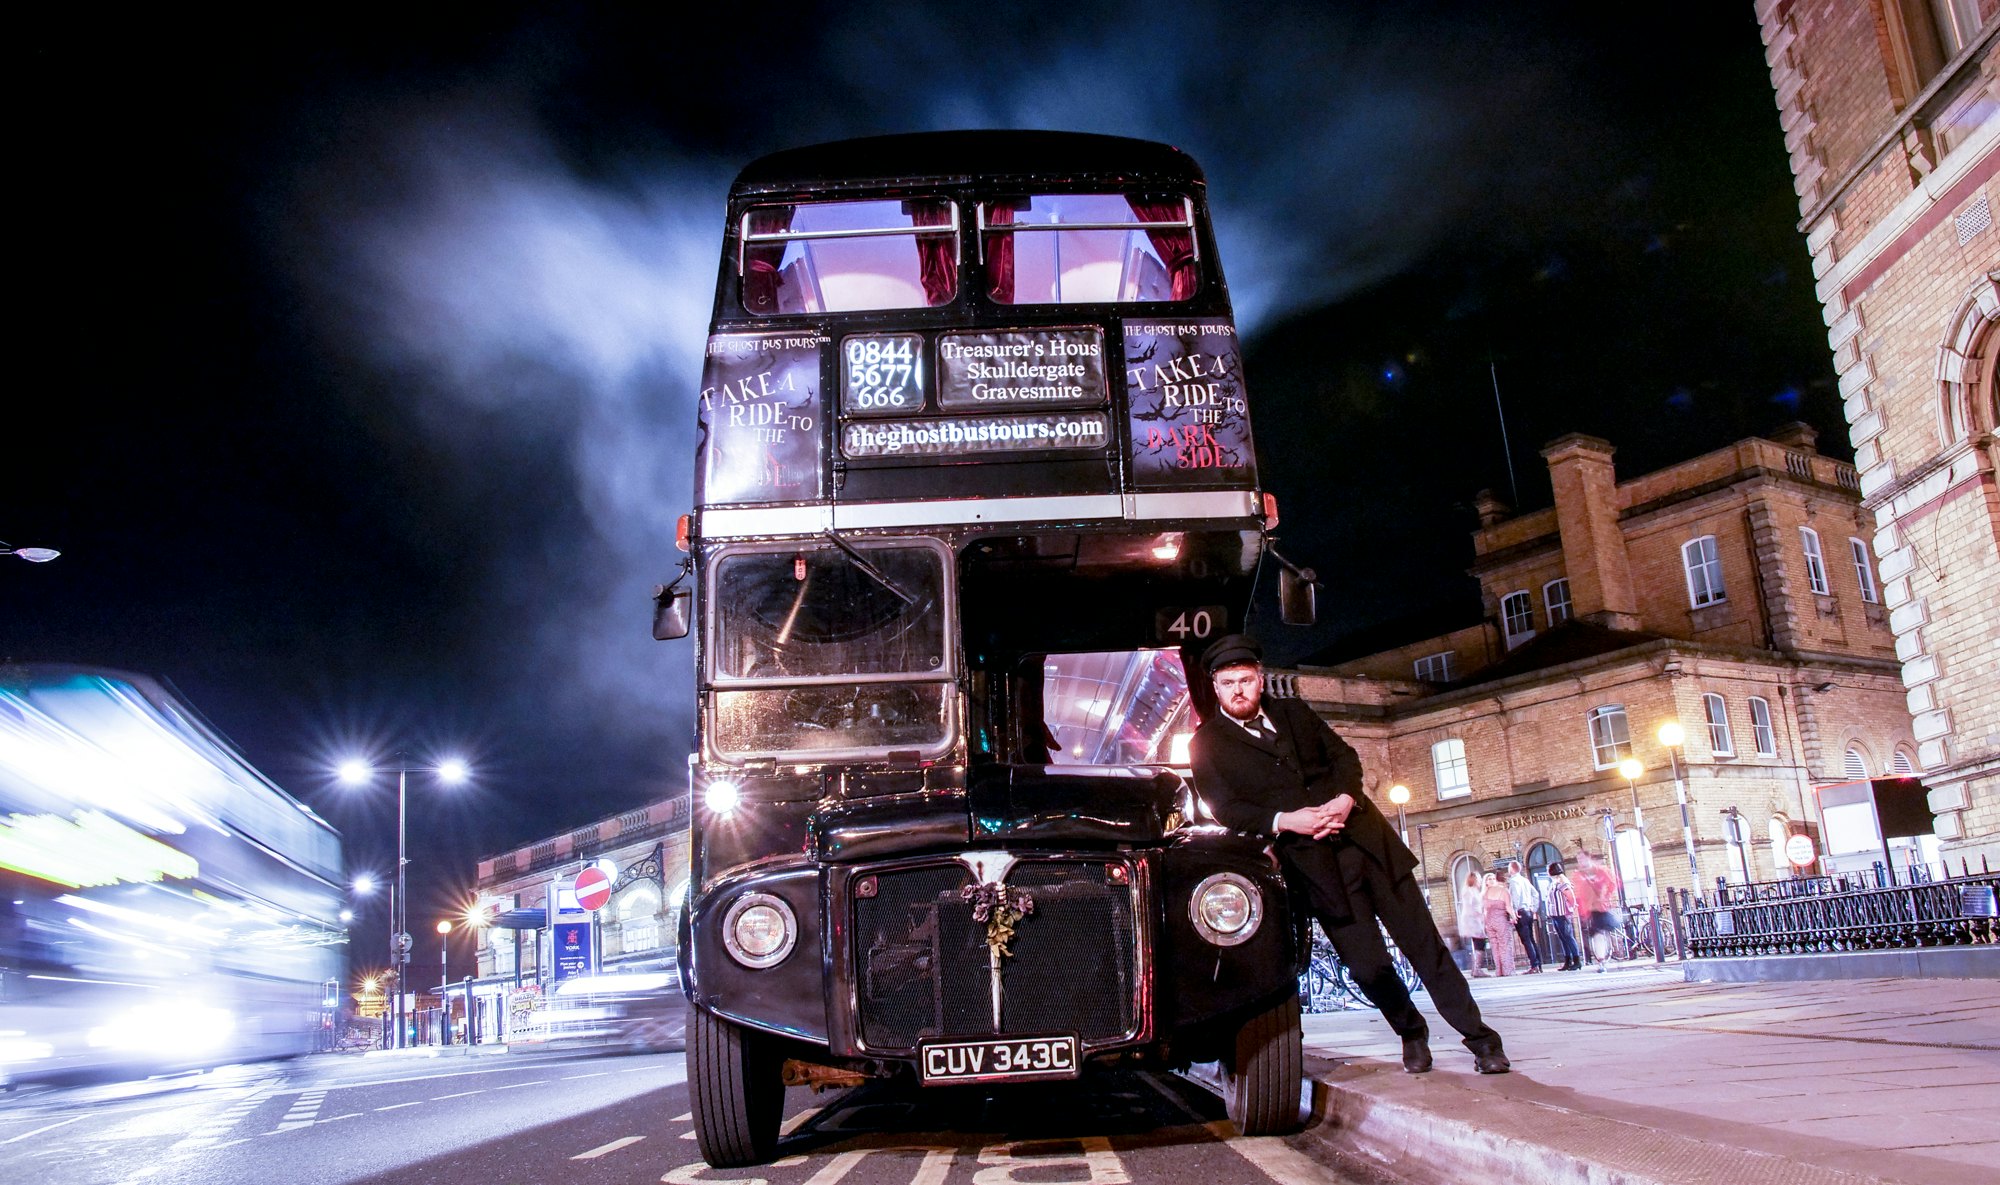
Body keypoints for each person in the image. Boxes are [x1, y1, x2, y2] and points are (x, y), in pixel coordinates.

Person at [1189, 634, 1509, 1075]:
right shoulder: (1207, 743)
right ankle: (1411, 1030)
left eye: (1245, 680)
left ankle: (1482, 1041)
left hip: (1369, 846)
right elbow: (1227, 808)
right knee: (1368, 967)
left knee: (1426, 950)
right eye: (1228, 683)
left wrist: (1345, 798)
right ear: (1216, 687)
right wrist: (1286, 820)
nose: (1238, 690)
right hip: (1316, 867)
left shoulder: (1295, 713)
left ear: (1260, 680)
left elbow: (1345, 758)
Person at [1571, 849, 1622, 972]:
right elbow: (1578, 892)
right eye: (1579, 860)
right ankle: (1602, 960)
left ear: (1589, 858)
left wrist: (1606, 895)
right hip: (1590, 910)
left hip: (1602, 907)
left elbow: (1613, 883)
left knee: (1598, 933)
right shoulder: (1578, 875)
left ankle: (1602, 961)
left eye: (1582, 858)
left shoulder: (1602, 871)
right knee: (1597, 934)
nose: (1581, 862)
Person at [1505, 861, 1545, 973]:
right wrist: (1533, 908)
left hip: (1520, 912)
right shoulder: (1525, 880)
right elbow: (1535, 894)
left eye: (1509, 868)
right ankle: (1538, 964)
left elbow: (1515, 896)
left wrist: (1514, 911)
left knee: (1526, 940)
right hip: (1528, 912)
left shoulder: (1513, 881)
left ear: (1512, 869)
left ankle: (1534, 965)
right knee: (1531, 939)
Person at [1545, 861, 1584, 971]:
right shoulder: (1554, 883)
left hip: (1562, 914)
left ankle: (1577, 961)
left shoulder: (1562, 882)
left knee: (1568, 937)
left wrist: (1570, 910)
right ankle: (1567, 960)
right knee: (1563, 938)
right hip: (1555, 914)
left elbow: (1571, 897)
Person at [1480, 871, 1516, 976]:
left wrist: (1484, 924)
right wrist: (1514, 917)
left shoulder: (1484, 894)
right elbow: (1508, 907)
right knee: (1505, 945)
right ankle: (1508, 970)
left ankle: (1499, 971)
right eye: (1489, 879)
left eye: (1492, 879)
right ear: (1486, 882)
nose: (1491, 881)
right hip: (1501, 921)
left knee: (1495, 946)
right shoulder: (1503, 891)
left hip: (1489, 922)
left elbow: (1483, 911)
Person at [1456, 869, 1490, 976]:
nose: (1480, 881)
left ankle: (1476, 968)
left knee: (1478, 943)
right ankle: (1477, 968)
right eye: (1478, 879)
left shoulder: (1473, 890)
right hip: (1473, 920)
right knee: (1479, 942)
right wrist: (1479, 915)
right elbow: (1470, 905)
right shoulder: (1469, 891)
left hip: (1474, 919)